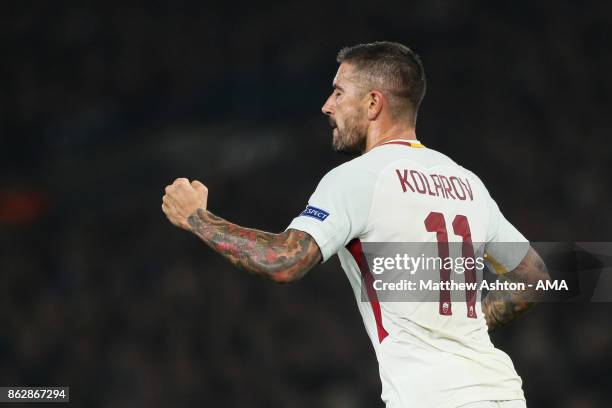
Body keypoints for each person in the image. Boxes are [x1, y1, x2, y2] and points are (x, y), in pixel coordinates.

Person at [161, 42, 550, 408]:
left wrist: (199, 219)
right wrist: (472, 324)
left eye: (338, 92)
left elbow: (284, 261)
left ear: (373, 103)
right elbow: (533, 275)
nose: (326, 106)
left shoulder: (358, 178)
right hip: (503, 395)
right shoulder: (466, 182)